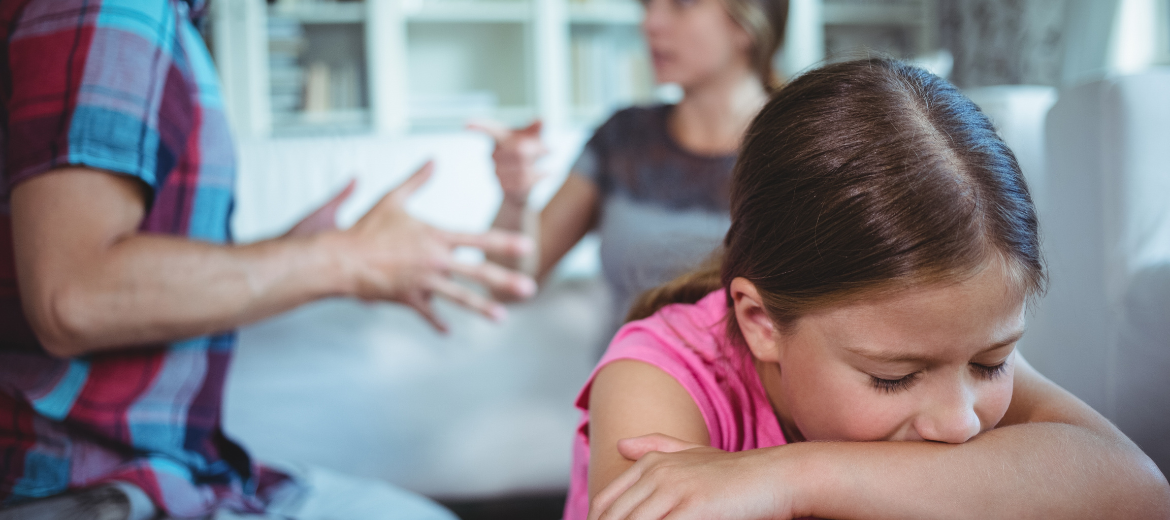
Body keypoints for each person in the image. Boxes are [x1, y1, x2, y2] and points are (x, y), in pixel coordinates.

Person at [566, 58, 1170, 520]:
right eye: (893, 377)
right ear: (761, 323)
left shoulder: (941, 342)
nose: (960, 424)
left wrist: (797, 475)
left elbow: (1138, 489)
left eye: (993, 363)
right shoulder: (657, 375)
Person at [0, 1, 535, 519]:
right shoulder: (114, 9)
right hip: (90, 486)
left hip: (180, 472)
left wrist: (292, 251)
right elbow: (74, 297)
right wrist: (337, 259)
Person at [475, 0, 788, 325]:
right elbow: (507, 285)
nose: (650, 23)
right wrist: (516, 198)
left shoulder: (798, 146)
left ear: (747, 25)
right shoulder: (622, 138)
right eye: (648, 5)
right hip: (622, 372)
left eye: (681, 5)